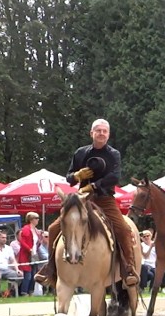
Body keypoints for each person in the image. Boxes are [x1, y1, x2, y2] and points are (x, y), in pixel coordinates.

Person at [34, 118, 139, 287]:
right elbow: (69, 178)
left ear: (108, 134)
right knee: (54, 228)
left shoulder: (113, 154)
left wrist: (93, 185)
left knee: (124, 229)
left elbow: (115, 177)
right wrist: (76, 176)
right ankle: (50, 267)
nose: (101, 134)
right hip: (82, 199)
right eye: (98, 130)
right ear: (92, 133)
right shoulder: (81, 153)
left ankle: (128, 268)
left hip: (105, 199)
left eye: (104, 131)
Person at [17, 212, 38, 296]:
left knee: (33, 274)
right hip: (26, 255)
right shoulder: (26, 229)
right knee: (28, 275)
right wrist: (29, 249)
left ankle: (31, 291)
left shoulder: (35, 230)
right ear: (31, 219)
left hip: (34, 254)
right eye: (36, 218)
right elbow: (22, 241)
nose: (38, 220)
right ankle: (24, 291)